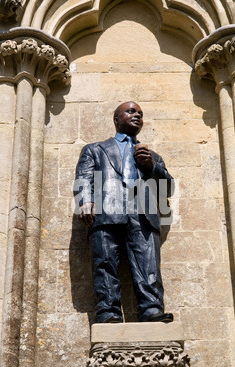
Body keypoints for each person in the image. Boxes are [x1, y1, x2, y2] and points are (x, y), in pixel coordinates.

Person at [74, 101, 174, 323]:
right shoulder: (95, 149)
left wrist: (151, 167)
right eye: (131, 111)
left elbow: (168, 188)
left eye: (140, 113)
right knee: (105, 261)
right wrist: (84, 201)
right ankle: (108, 311)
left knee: (148, 264)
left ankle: (151, 309)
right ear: (116, 119)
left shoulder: (151, 156)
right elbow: (84, 177)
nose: (137, 115)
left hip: (143, 214)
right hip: (106, 211)